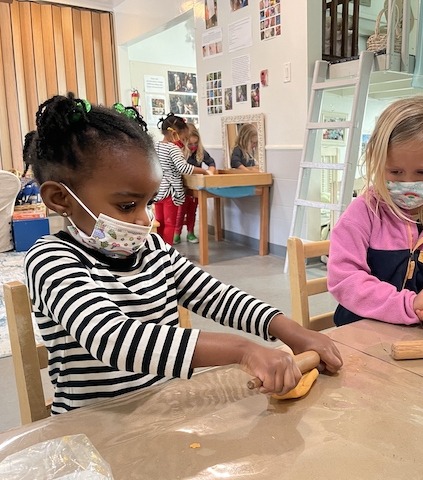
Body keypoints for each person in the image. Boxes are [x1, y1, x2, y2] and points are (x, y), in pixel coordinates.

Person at [22, 93, 343, 415]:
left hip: (164, 412)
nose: (145, 219)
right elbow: (112, 338)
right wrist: (243, 350)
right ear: (60, 199)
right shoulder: (51, 260)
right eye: (127, 205)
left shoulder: (153, 250)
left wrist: (291, 330)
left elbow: (218, 298)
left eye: (149, 203)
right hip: (92, 427)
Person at [327, 96, 423, 328]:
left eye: (422, 172)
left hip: (418, 333)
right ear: (377, 160)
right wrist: (410, 304)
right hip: (360, 329)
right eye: (395, 172)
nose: (408, 183)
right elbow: (345, 279)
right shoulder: (363, 213)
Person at [153, 113, 207, 245]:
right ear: (174, 134)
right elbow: (183, 168)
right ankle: (168, 252)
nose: (183, 141)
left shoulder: (157, 146)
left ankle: (159, 249)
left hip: (158, 190)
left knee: (160, 222)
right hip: (170, 192)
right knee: (170, 224)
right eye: (183, 138)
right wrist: (203, 171)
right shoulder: (173, 148)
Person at [174, 124, 216, 244]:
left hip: (196, 186)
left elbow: (211, 163)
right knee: (180, 212)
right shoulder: (179, 151)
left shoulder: (200, 151)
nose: (193, 147)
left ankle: (190, 233)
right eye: (190, 144)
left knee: (192, 211)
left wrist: (210, 172)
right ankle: (176, 233)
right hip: (182, 187)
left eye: (195, 143)